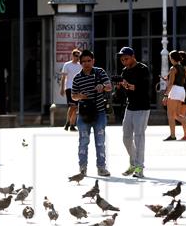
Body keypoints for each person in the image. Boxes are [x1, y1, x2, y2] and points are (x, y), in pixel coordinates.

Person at [71, 49, 112, 177]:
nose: (86, 64)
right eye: (83, 61)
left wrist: (103, 87)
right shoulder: (77, 77)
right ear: (80, 63)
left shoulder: (99, 72)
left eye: (89, 61)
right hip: (83, 114)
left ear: (93, 61)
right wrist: (80, 96)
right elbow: (73, 96)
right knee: (83, 141)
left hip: (99, 112)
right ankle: (82, 168)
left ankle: (101, 167)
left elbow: (109, 86)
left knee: (100, 142)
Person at [117, 47, 150, 178]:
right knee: (126, 138)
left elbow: (146, 88)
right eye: (122, 59)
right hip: (130, 106)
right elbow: (123, 94)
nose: (124, 61)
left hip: (142, 107)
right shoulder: (124, 71)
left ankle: (139, 167)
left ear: (133, 56)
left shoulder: (143, 69)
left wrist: (130, 86)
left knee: (139, 138)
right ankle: (133, 163)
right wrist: (120, 88)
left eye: (126, 58)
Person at [60, 48, 82, 131]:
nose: (77, 57)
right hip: (69, 87)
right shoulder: (67, 65)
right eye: (76, 56)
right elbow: (63, 77)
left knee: (75, 107)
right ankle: (68, 123)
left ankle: (72, 125)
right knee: (72, 106)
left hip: (78, 88)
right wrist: (62, 88)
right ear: (72, 56)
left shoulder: (80, 65)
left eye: (78, 56)